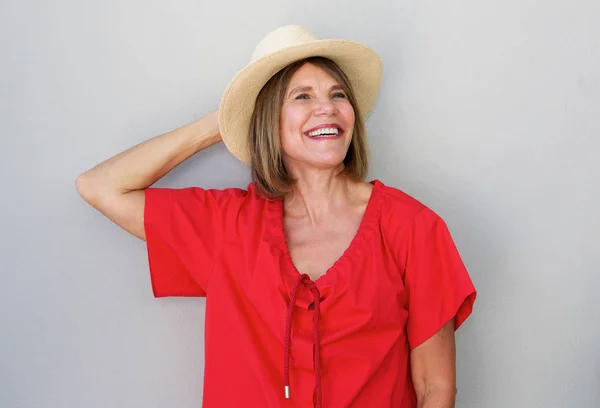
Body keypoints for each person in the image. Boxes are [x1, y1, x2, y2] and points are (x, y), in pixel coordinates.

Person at [76, 25, 476, 408]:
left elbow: (435, 385)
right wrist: (224, 122)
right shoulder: (227, 224)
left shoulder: (412, 226)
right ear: (268, 119)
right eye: (301, 96)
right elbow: (101, 186)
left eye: (338, 95)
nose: (326, 107)